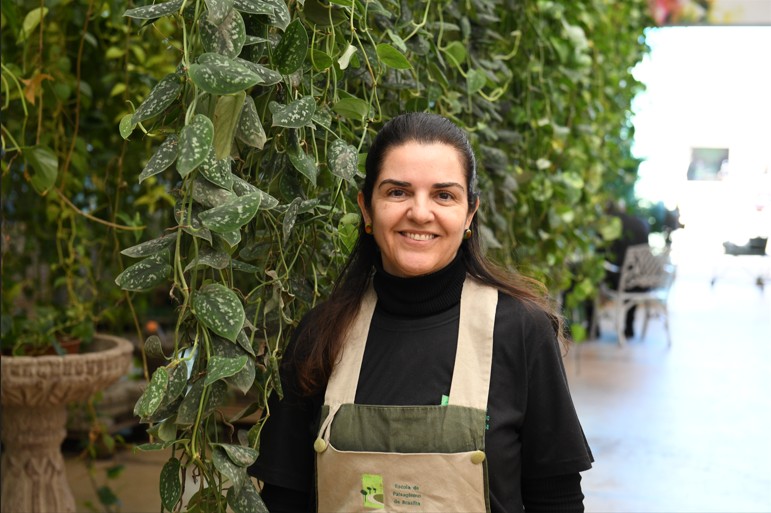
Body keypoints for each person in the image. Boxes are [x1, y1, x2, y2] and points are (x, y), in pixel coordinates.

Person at [249, 113, 593, 512]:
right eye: (398, 192)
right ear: (366, 209)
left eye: (444, 195)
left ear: (469, 213)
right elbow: (283, 500)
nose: (420, 212)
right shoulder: (321, 334)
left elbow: (557, 500)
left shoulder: (520, 330)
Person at [606, 202, 651, 339]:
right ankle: (629, 326)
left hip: (621, 281)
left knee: (595, 275)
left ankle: (592, 327)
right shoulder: (641, 223)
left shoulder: (610, 224)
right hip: (643, 281)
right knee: (631, 273)